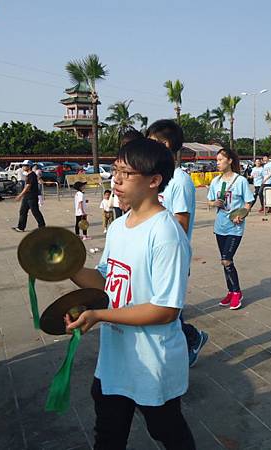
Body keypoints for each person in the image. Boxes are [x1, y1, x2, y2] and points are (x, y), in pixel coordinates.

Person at [66, 137, 196, 449]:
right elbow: (105, 281)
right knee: (108, 434)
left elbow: (166, 310)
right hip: (116, 357)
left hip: (152, 359)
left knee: (167, 431)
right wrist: (64, 268)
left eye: (127, 173)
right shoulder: (119, 226)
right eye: (115, 170)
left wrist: (99, 315)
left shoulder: (166, 234)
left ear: (154, 181)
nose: (117, 179)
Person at [146, 119, 209, 367]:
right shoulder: (157, 178)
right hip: (153, 255)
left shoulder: (179, 180)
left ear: (165, 144)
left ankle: (190, 340)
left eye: (151, 142)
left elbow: (181, 224)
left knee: (168, 312)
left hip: (172, 258)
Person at [208, 147, 254, 310]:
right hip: (220, 226)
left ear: (230, 161)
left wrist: (242, 214)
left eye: (220, 160)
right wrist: (214, 203)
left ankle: (236, 293)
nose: (218, 163)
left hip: (235, 227)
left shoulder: (240, 181)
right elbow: (209, 201)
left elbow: (249, 202)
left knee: (226, 259)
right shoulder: (216, 181)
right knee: (225, 262)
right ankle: (230, 291)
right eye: (217, 160)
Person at [13, 162, 46, 232]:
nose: (23, 167)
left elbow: (28, 186)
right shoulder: (28, 175)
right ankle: (21, 227)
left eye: (24, 166)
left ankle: (42, 226)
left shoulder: (32, 175)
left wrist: (20, 195)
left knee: (35, 211)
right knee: (23, 211)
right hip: (27, 196)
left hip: (32, 196)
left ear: (28, 166)